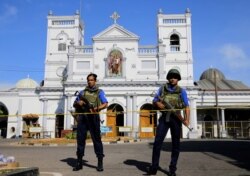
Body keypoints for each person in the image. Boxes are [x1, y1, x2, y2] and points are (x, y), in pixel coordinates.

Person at [147, 69, 190, 176]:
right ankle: (154, 167)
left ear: (178, 79)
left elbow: (186, 106)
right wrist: (158, 104)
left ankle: (172, 169)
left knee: (176, 145)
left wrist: (186, 119)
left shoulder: (181, 91)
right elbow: (155, 100)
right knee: (157, 143)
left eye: (175, 77)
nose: (172, 79)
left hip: (176, 119)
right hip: (164, 118)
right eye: (171, 77)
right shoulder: (162, 89)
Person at [72, 73, 108, 172]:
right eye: (88, 80)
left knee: (97, 140)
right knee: (80, 140)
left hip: (94, 118)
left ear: (95, 81)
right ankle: (79, 162)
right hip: (83, 118)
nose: (89, 81)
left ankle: (100, 162)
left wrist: (96, 108)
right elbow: (74, 104)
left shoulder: (99, 92)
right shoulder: (82, 93)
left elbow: (105, 104)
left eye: (91, 80)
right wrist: (78, 103)